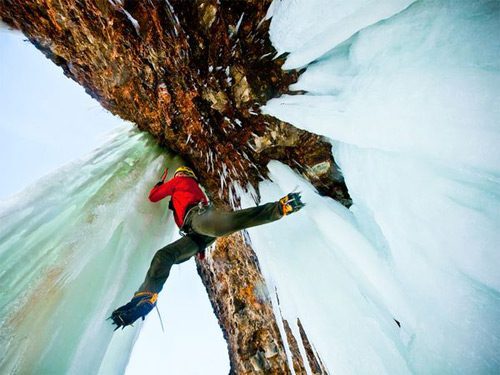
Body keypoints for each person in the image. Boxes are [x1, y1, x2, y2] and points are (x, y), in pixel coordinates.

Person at [110, 166, 304, 329]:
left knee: (221, 227)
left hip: (198, 219)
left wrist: (160, 185)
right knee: (164, 255)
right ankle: (146, 296)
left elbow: (153, 197)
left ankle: (279, 208)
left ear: (181, 174)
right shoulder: (190, 186)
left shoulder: (180, 181)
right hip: (196, 231)